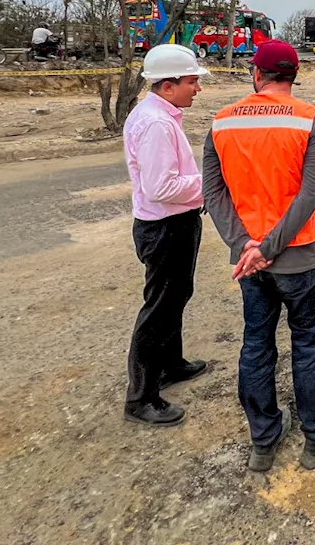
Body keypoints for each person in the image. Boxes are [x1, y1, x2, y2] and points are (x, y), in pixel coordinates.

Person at [204, 39, 315, 472]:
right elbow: (309, 193)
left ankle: (264, 440)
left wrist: (246, 245)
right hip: (300, 258)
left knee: (256, 345)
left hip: (250, 265)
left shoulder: (221, 123)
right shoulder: (309, 119)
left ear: (256, 75)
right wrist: (269, 247)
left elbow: (214, 192)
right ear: (294, 76)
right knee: (309, 344)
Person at [122, 44, 210, 426]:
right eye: (192, 81)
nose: (197, 88)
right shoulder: (157, 123)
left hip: (172, 223)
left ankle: (170, 364)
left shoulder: (159, 115)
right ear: (168, 85)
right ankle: (141, 396)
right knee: (159, 308)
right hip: (165, 226)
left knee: (174, 297)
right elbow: (162, 186)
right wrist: (210, 185)